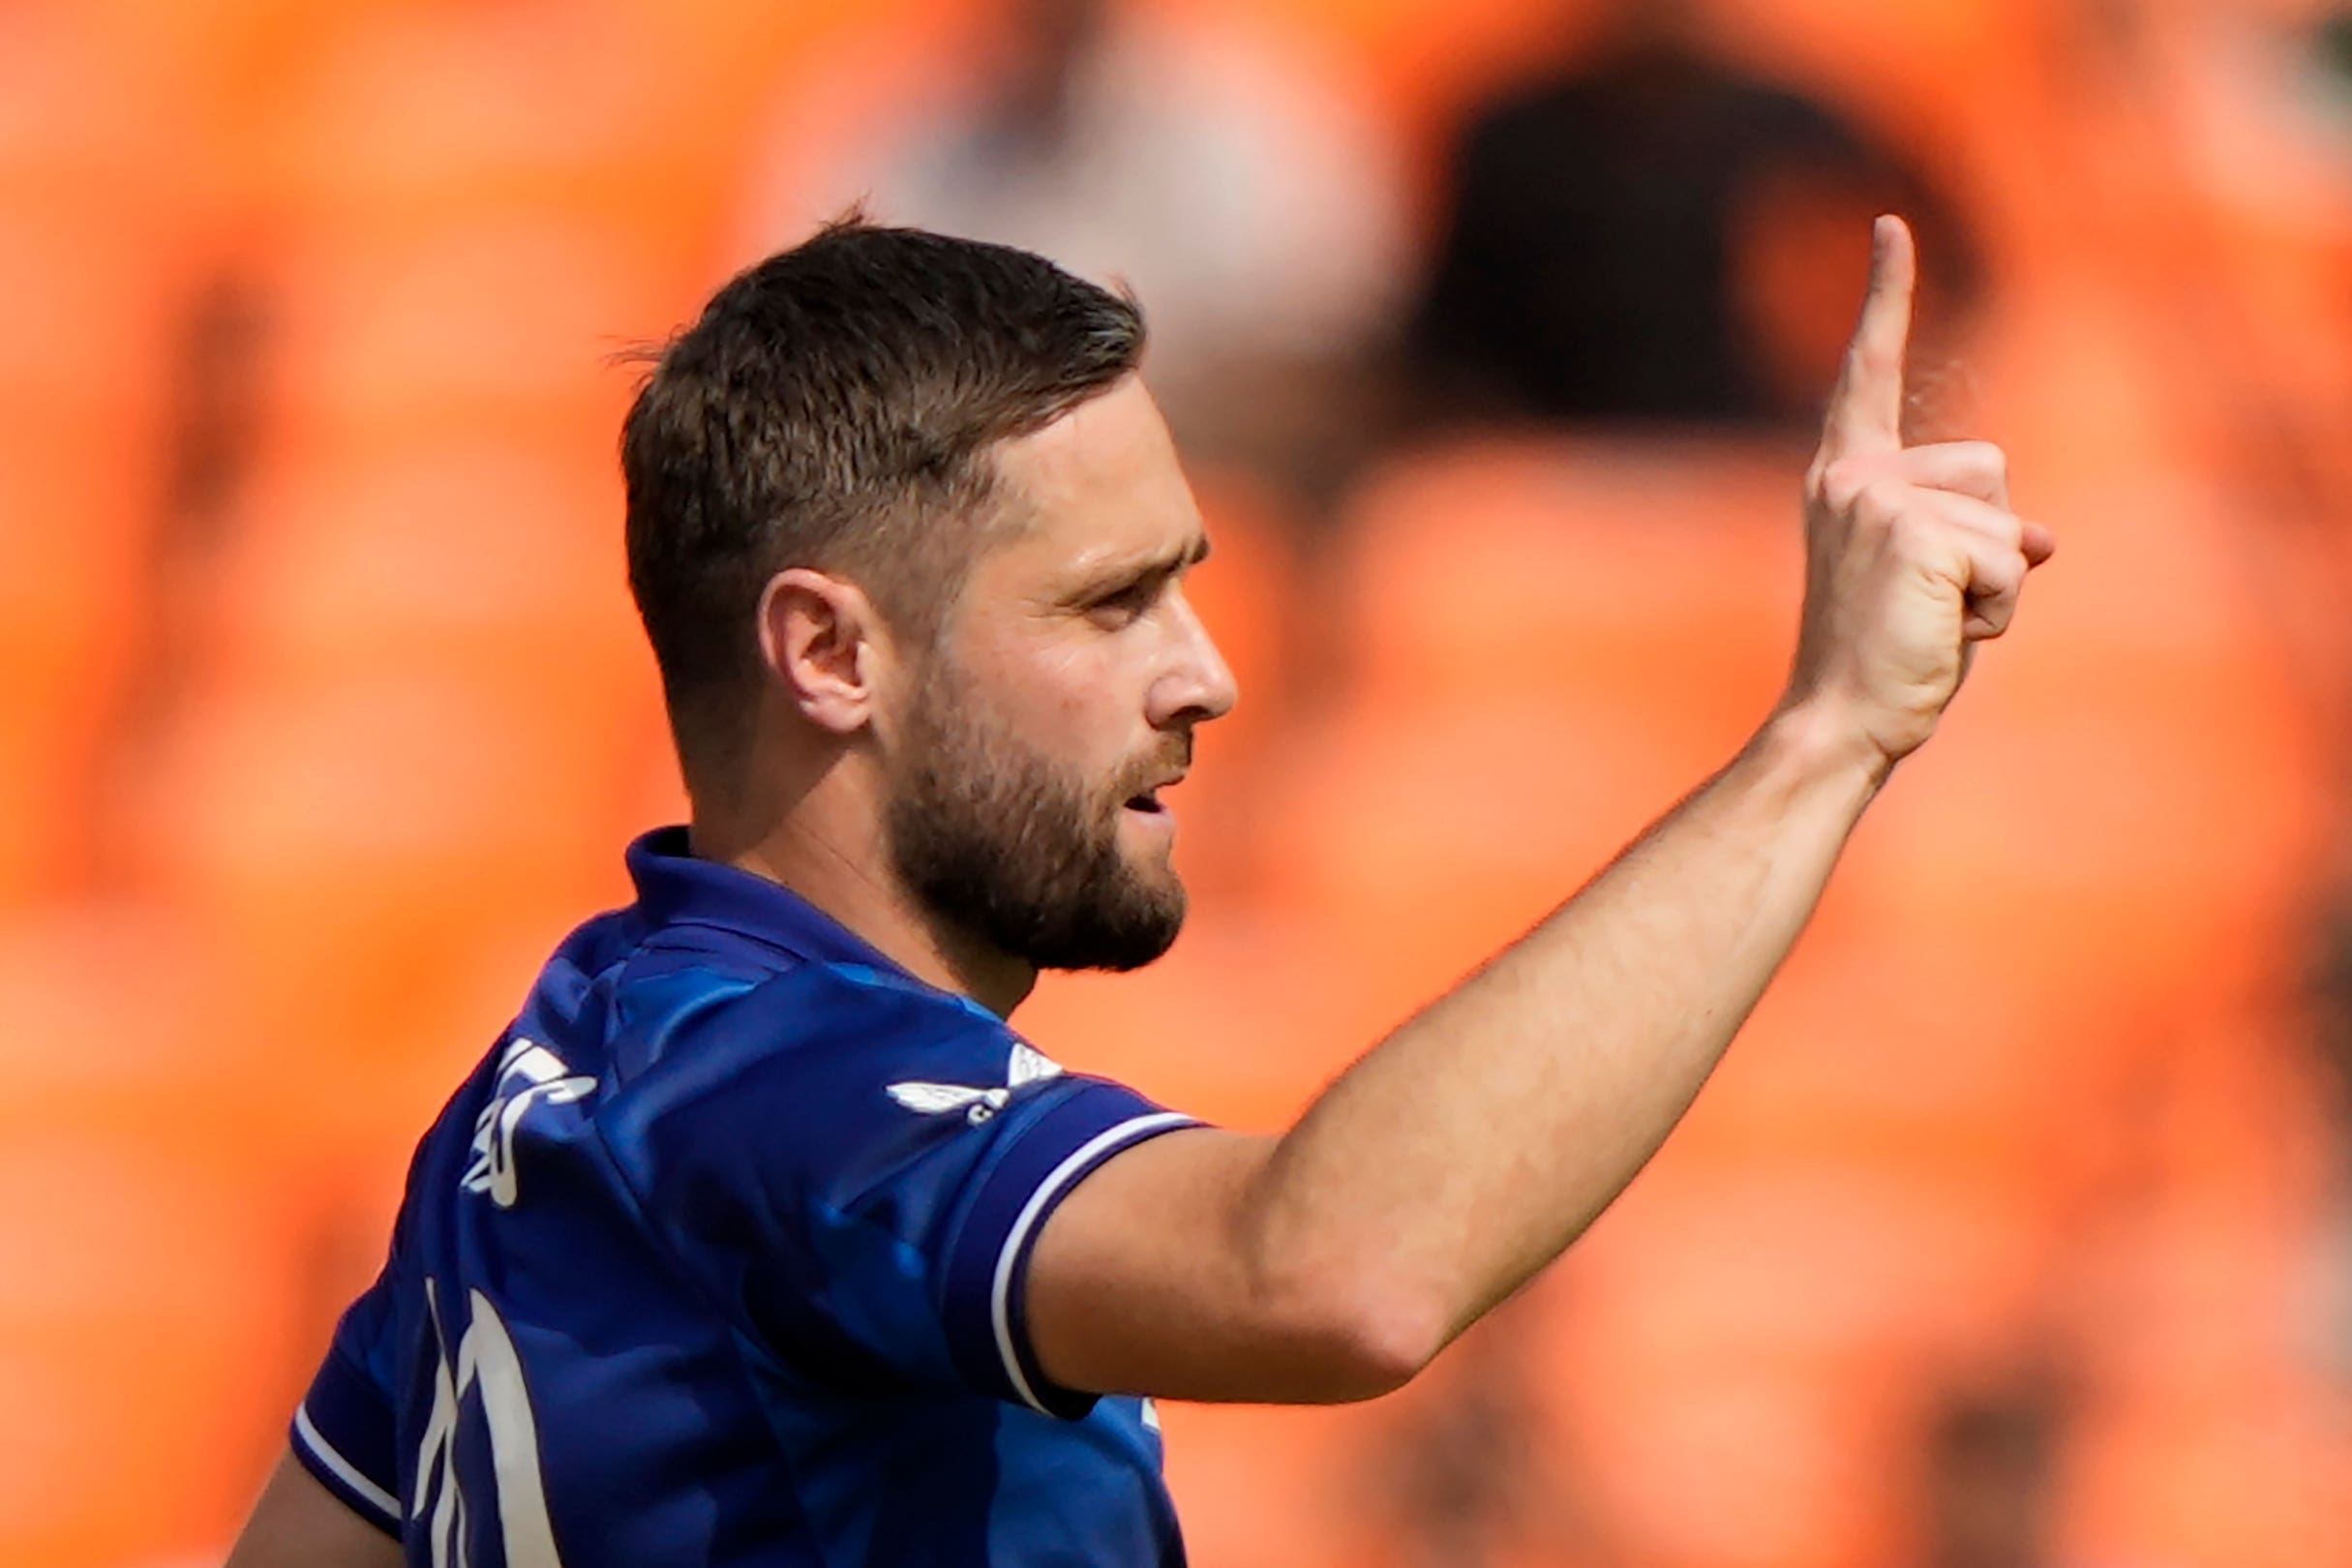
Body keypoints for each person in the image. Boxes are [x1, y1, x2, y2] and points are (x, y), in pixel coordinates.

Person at [225, 213, 2050, 1566]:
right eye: (1109, 605)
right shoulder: (780, 1094)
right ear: (826, 652)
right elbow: (1333, 1275)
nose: (1206, 672)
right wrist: (1822, 737)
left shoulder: (555, 1092)